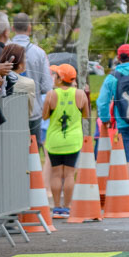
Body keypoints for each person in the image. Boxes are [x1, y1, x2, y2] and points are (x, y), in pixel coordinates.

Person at [42, 63, 89, 219]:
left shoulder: (51, 94)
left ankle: (56, 208)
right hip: (73, 139)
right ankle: (67, 207)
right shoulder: (81, 94)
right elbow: (86, 115)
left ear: (61, 78)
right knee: (69, 174)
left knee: (56, 174)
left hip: (55, 139)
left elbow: (45, 116)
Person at [9, 13, 53, 147]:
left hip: (9, 110)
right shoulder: (39, 53)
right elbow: (47, 86)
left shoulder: (4, 49)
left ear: (12, 28)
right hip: (33, 110)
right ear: (29, 28)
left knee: (11, 151)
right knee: (33, 152)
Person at [0, 43, 37, 117]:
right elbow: (29, 113)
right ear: (20, 64)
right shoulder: (28, 83)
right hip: (20, 124)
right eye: (24, 59)